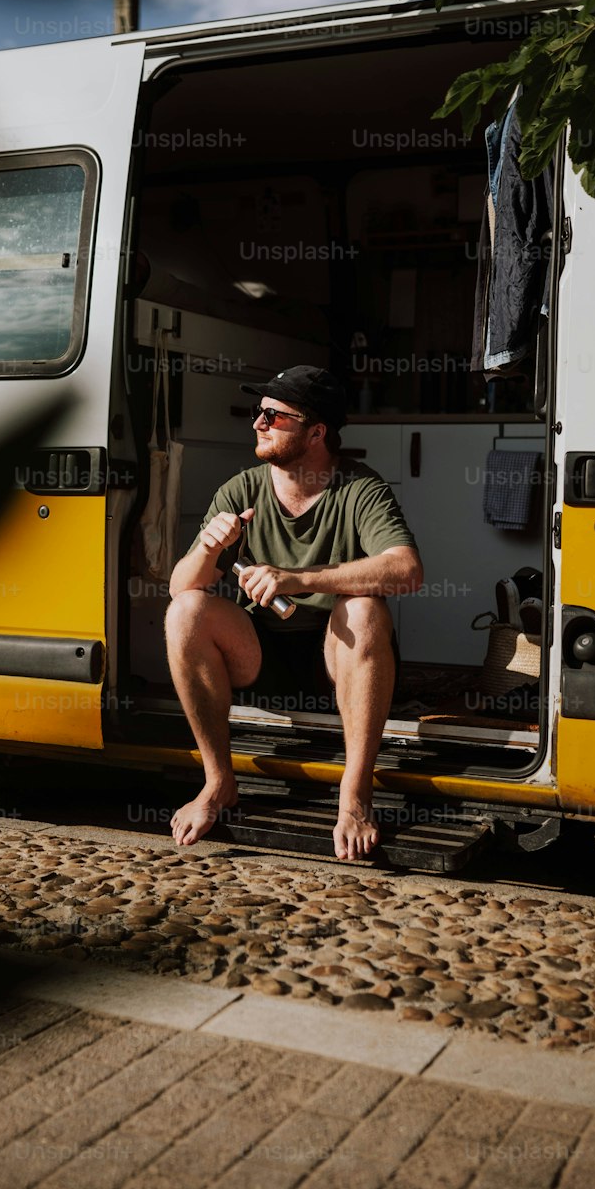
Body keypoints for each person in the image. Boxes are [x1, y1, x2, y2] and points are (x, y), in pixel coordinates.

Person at [164, 364, 422, 862]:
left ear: (316, 432)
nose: (257, 423)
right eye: (259, 413)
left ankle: (354, 795)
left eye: (274, 416)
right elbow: (180, 587)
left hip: (338, 665)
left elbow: (406, 570)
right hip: (258, 658)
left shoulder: (359, 488)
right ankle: (219, 782)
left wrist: (295, 578)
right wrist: (207, 550)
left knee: (365, 608)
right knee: (186, 612)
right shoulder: (241, 489)